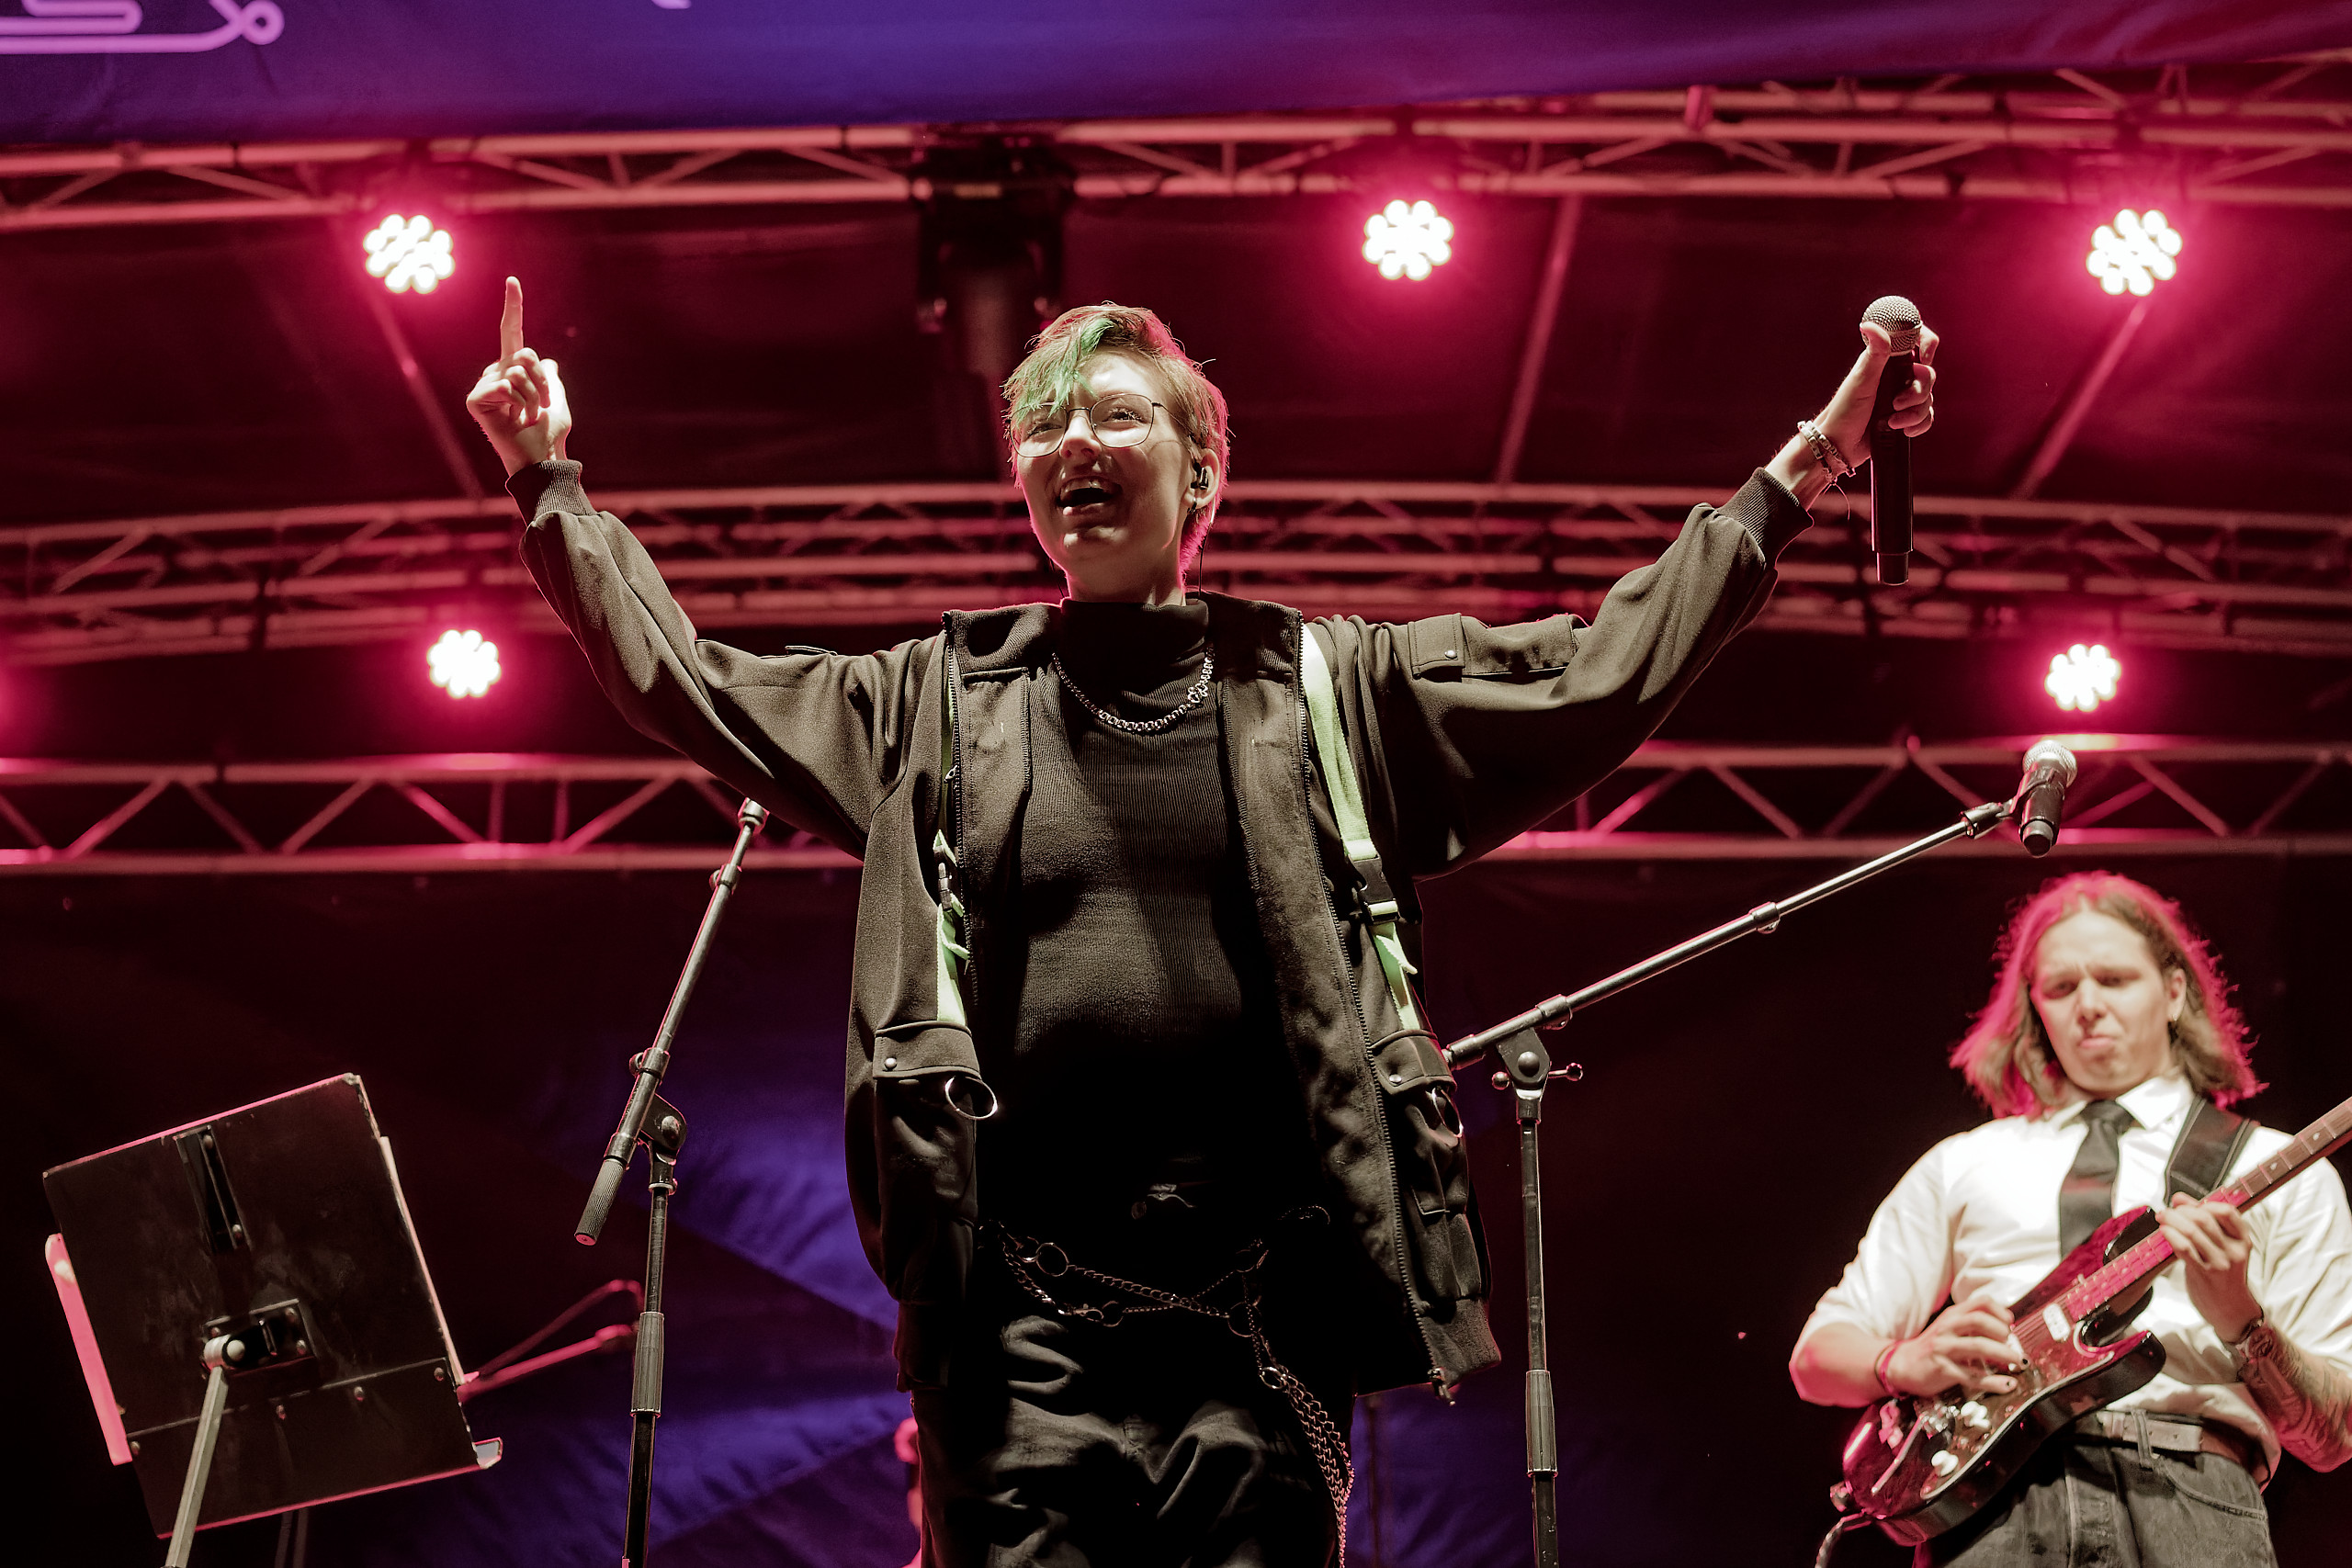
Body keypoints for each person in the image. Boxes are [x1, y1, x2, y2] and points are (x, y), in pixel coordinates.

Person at [469, 277, 1936, 1567]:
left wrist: (1809, 464)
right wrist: (549, 481)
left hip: (1260, 1321)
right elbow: (689, 679)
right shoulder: (934, 702)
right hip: (1015, 1337)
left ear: (1204, 471)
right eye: (1044, 426)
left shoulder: (1327, 685)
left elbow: (1602, 669)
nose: (1075, 444)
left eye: (1116, 415)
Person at [1790, 871, 2352, 1566]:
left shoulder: (2278, 1169)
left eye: (2114, 979)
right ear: (2035, 1007)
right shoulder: (1964, 1162)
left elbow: (2334, 1438)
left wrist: (2242, 1321)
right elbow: (1817, 1358)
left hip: (2193, 1498)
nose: (2087, 1005)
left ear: (2174, 991)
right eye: (2061, 987)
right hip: (1993, 1506)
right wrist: (1902, 1359)